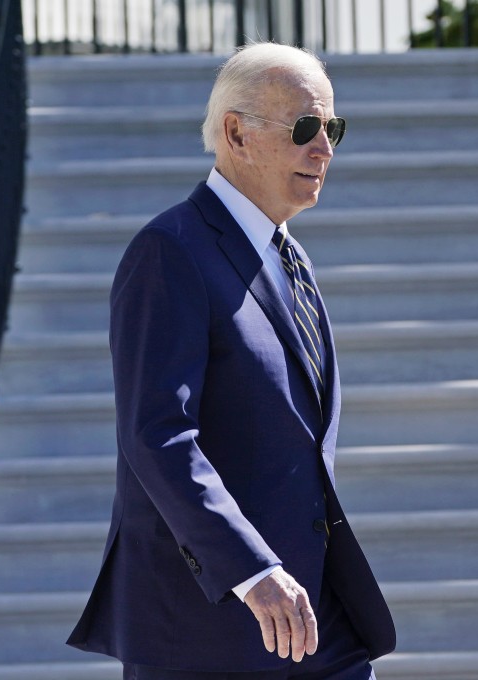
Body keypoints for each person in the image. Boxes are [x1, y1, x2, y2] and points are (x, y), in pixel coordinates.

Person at [66, 42, 396, 680]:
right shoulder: (170, 252)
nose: (324, 149)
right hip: (210, 631)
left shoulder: (290, 257)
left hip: (315, 621)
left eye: (333, 129)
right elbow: (158, 433)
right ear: (236, 134)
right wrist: (251, 570)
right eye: (305, 129)